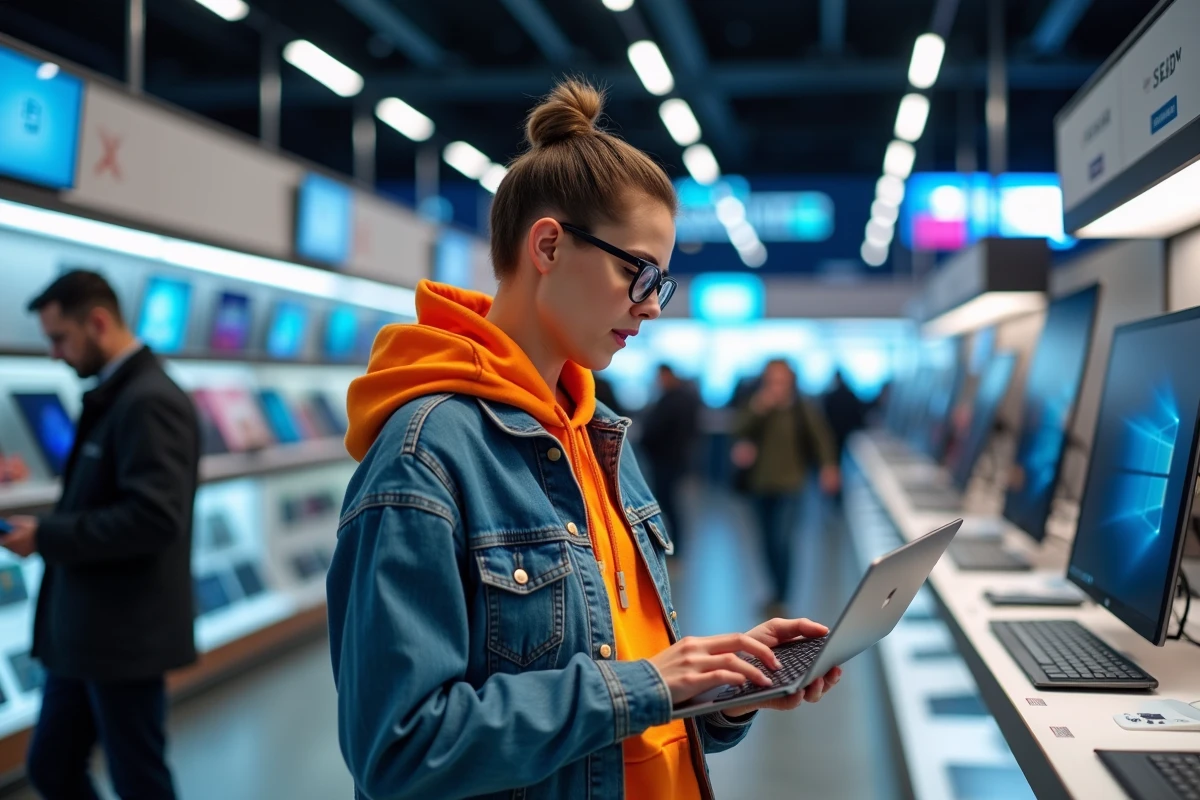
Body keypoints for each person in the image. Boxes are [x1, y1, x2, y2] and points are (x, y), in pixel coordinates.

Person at [326, 79, 841, 800]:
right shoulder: (425, 455)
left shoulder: (599, 437)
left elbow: (628, 675)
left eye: (662, 282)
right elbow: (400, 750)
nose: (653, 307)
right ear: (548, 245)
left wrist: (722, 692)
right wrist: (646, 685)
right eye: (641, 274)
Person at [3, 271, 199, 800]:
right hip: (89, 630)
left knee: (139, 778)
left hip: (122, 634)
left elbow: (154, 517)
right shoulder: (118, 395)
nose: (54, 354)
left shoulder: (148, 400)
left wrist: (47, 537)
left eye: (59, 338)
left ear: (97, 322)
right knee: (52, 766)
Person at [733, 359, 840, 619]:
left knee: (783, 540)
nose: (777, 385)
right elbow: (738, 430)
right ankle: (774, 591)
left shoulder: (802, 407)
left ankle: (782, 596)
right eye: (772, 378)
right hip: (761, 483)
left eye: (781, 379)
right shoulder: (758, 404)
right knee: (766, 541)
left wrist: (829, 466)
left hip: (791, 484)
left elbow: (820, 438)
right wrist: (760, 409)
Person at [639, 365, 701, 555]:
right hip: (673, 459)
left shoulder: (672, 400)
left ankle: (674, 547)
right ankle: (673, 546)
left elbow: (657, 429)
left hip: (667, 460)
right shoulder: (682, 398)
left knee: (668, 505)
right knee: (669, 504)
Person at [822, 370, 868, 460]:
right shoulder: (850, 394)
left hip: (835, 431)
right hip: (848, 432)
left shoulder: (831, 396)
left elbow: (825, 415)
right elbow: (858, 412)